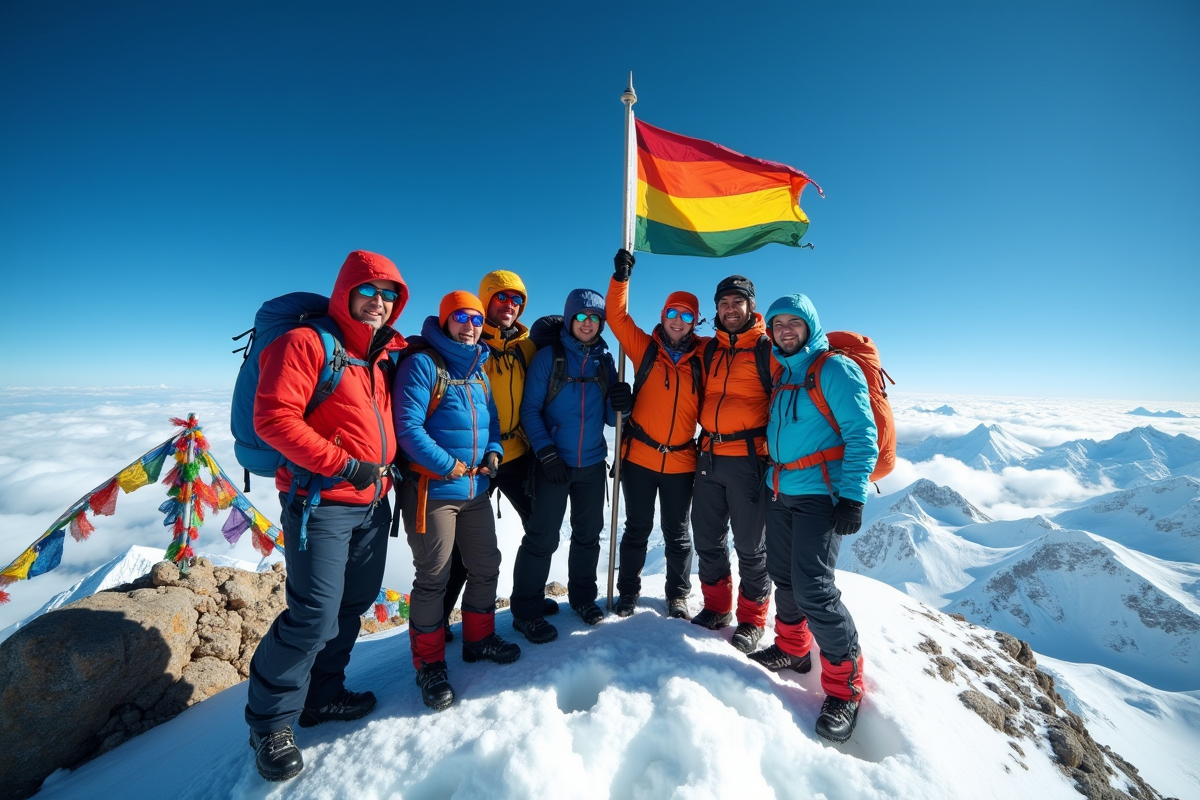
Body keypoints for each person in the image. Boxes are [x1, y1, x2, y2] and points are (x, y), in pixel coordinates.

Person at [245, 250, 407, 782]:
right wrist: (344, 464)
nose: (379, 302)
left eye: (389, 294)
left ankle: (322, 695)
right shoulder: (306, 342)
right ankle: (271, 724)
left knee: (353, 604)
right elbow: (272, 419)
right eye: (370, 291)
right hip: (321, 502)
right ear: (346, 292)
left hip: (372, 502)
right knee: (312, 614)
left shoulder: (381, 356)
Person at [753, 293, 877, 744]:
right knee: (782, 575)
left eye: (793, 322)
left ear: (810, 325)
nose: (784, 329)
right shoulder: (785, 372)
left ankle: (845, 686)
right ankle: (792, 648)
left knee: (814, 588)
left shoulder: (834, 368)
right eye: (777, 323)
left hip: (820, 495)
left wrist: (853, 496)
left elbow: (864, 434)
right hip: (780, 489)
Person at [395, 291, 521, 711]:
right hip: (434, 491)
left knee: (486, 565)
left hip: (476, 491)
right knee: (433, 577)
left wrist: (494, 453)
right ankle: (429, 664)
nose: (469, 325)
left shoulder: (478, 370)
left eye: (475, 319)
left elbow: (493, 422)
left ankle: (479, 639)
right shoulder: (424, 364)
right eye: (461, 317)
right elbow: (408, 428)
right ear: (446, 321)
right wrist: (447, 464)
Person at [509, 289, 632, 643]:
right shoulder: (549, 358)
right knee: (541, 537)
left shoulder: (606, 361)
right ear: (569, 318)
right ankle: (526, 611)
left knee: (588, 536)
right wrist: (546, 452)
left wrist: (624, 400)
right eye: (581, 316)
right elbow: (530, 409)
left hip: (592, 463)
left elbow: (611, 418)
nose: (588, 323)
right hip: (553, 463)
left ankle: (582, 598)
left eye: (595, 318)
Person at [439, 271, 558, 639]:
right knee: (463, 545)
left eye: (517, 300)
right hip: (474, 460)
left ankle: (528, 598)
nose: (510, 306)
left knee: (541, 527)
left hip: (518, 452)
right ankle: (439, 616)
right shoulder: (468, 342)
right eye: (502, 298)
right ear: (486, 300)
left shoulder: (526, 347)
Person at [606, 249, 705, 619]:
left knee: (678, 534)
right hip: (640, 458)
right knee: (637, 529)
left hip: (681, 459)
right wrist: (620, 280)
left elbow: (738, 346)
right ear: (662, 315)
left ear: (695, 321)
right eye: (672, 313)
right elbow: (615, 317)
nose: (678, 320)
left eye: (686, 315)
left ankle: (677, 596)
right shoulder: (645, 348)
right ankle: (628, 593)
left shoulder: (704, 355)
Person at [690, 275, 778, 653]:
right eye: (723, 303)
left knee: (750, 546)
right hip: (708, 457)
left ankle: (753, 620)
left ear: (750, 306)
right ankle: (716, 608)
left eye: (737, 302)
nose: (729, 309)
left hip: (748, 461)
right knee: (708, 539)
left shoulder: (766, 349)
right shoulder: (709, 350)